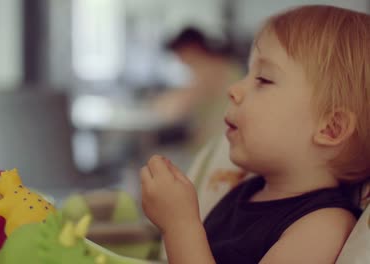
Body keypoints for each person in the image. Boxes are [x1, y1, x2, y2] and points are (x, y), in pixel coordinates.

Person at [140, 5, 370, 264]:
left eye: (263, 79)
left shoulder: (323, 227)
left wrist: (180, 225)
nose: (234, 89)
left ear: (331, 128)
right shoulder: (244, 190)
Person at [152, 27, 242, 151]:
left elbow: (174, 110)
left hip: (219, 146)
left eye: (180, 53)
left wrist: (158, 104)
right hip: (221, 143)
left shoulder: (211, 69)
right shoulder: (220, 64)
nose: (180, 60)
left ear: (193, 48)